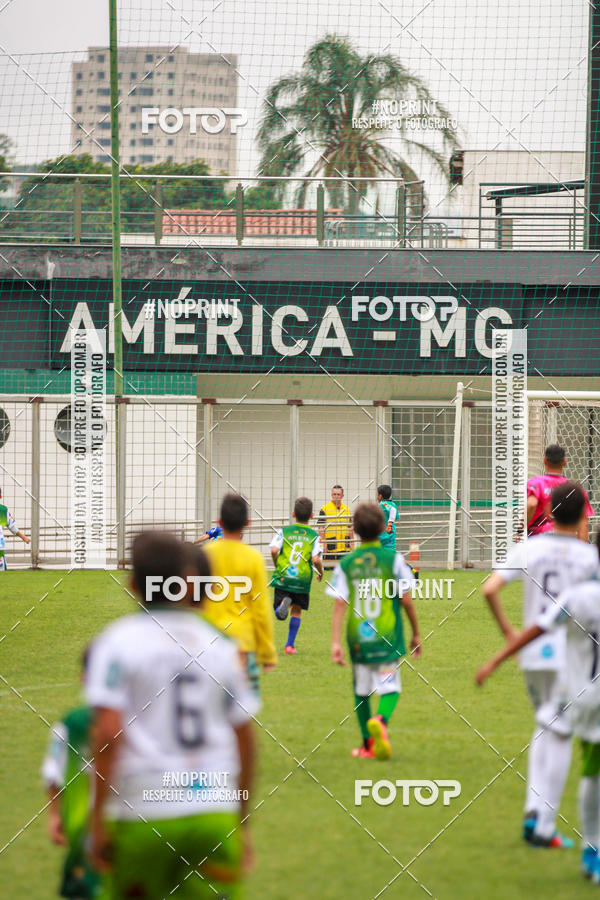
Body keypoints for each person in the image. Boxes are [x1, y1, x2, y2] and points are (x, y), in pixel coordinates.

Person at [87, 532, 258, 899]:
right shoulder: (221, 645)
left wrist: (97, 817)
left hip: (142, 812)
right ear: (185, 582)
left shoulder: (116, 641)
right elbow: (245, 737)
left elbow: (107, 735)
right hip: (213, 811)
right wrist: (241, 820)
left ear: (133, 584)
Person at [476, 530, 600, 880]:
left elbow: (490, 588)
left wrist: (501, 648)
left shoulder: (536, 553)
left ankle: (541, 814)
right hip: (569, 663)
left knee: (548, 724)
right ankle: (546, 821)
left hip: (544, 658)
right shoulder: (584, 558)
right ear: (581, 518)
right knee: (557, 731)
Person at [328, 503, 421, 760]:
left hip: (359, 638)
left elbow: (339, 602)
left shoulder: (347, 563)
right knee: (390, 687)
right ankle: (381, 720)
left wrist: (335, 642)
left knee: (361, 692)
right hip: (387, 637)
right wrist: (416, 632)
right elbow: (406, 599)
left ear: (354, 530)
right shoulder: (393, 560)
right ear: (382, 528)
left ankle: (367, 746)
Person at [41, 647, 100, 899]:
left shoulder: (71, 724)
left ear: (82, 677)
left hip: (84, 833)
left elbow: (52, 773)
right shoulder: (140, 721)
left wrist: (55, 814)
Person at [205, 493, 277, 693]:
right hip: (242, 646)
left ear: (219, 522)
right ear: (247, 523)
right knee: (242, 710)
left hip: (209, 644)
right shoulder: (253, 558)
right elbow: (261, 609)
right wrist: (267, 653)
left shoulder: (205, 555)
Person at [270, 496, 324, 655]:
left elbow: (273, 550)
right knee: (297, 610)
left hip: (284, 575)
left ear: (293, 514)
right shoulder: (314, 536)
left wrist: (276, 563)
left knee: (278, 609)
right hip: (302, 579)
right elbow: (315, 559)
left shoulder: (284, 532)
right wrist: (321, 573)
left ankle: (281, 607)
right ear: (312, 515)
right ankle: (289, 645)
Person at [526, 444, 593, 540]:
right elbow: (583, 524)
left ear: (544, 461)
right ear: (565, 462)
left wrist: (520, 529)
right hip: (566, 539)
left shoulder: (536, 483)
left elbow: (531, 504)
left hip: (538, 538)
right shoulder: (575, 490)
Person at [317, 485, 353, 561]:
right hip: (330, 548)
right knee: (328, 571)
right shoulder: (325, 509)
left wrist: (352, 543)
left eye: (338, 494)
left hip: (345, 548)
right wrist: (323, 544)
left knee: (344, 571)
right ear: (331, 495)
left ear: (342, 496)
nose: (336, 496)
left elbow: (350, 527)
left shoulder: (347, 509)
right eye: (334, 494)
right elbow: (320, 528)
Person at [0, 487, 30, 570]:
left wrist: (24, 537)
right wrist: (24, 537)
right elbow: (11, 526)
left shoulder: (2, 510)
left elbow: (11, 526)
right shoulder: (3, 510)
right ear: (1, 496)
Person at [377, 485, 398, 551]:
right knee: (391, 554)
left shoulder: (382, 504)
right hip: (391, 535)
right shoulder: (393, 504)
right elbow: (396, 517)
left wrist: (389, 524)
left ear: (380, 496)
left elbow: (392, 510)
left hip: (382, 535)